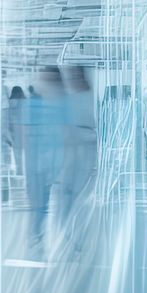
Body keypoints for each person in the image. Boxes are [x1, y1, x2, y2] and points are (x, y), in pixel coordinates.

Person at [22, 69, 66, 246]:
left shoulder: (61, 103)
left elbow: (64, 132)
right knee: (36, 198)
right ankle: (35, 230)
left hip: (52, 157)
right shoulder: (33, 103)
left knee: (45, 197)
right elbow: (26, 131)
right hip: (35, 157)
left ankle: (38, 230)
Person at [55, 65, 98, 220]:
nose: (71, 81)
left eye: (74, 77)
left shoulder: (91, 98)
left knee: (81, 190)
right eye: (70, 77)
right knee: (67, 190)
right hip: (71, 151)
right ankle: (66, 226)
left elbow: (95, 129)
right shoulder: (69, 100)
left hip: (86, 151)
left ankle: (74, 225)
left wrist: (79, 134)